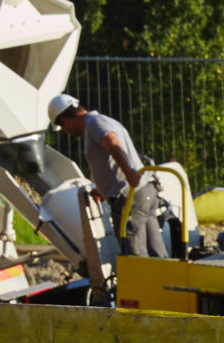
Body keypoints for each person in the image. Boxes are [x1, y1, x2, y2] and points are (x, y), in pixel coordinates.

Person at [47, 94, 171, 258]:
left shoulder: (93, 123)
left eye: (63, 128)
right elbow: (109, 158)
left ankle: (141, 283)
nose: (67, 132)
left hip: (130, 197)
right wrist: (105, 189)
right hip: (144, 192)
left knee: (134, 255)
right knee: (156, 251)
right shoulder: (103, 120)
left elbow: (112, 144)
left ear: (65, 122)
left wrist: (129, 173)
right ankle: (162, 282)